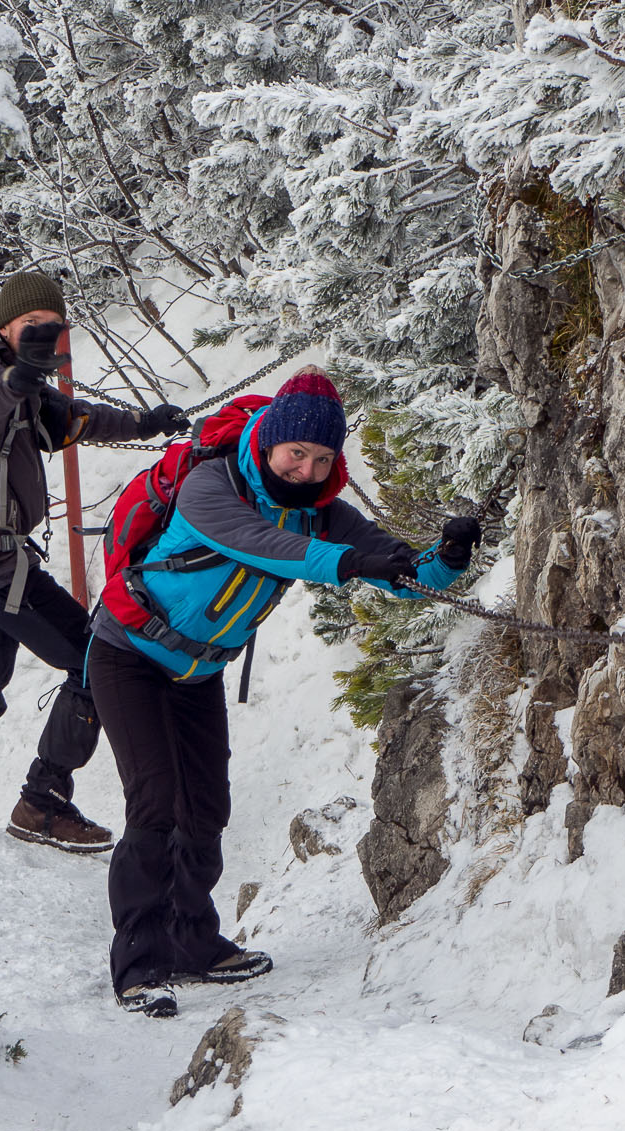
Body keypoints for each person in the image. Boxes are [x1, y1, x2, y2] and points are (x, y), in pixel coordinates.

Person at [88, 366, 481, 1017]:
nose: (303, 469)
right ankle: (138, 960)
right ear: (269, 440)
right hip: (128, 654)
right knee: (155, 802)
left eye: (320, 458)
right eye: (295, 453)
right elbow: (262, 545)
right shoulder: (209, 486)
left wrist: (446, 558)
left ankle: (193, 942)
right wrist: (349, 562)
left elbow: (401, 570)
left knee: (206, 810)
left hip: (198, 671)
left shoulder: (321, 512)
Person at [0, 271, 188, 853]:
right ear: (4, 327)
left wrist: (145, 424)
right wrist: (20, 375)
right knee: (100, 658)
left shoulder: (14, 380)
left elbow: (70, 417)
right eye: (31, 327)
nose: (43, 336)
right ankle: (43, 802)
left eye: (53, 328)